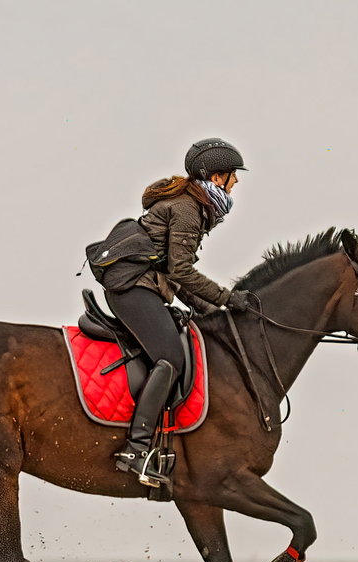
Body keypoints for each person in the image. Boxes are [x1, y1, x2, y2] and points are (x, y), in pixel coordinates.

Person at [106, 138, 253, 487]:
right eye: (233, 175)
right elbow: (182, 271)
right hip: (133, 289)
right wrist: (227, 299)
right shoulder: (188, 208)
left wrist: (213, 311)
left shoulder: (192, 205)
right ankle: (136, 449)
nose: (236, 182)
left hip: (143, 287)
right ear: (216, 178)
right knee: (171, 357)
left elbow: (174, 275)